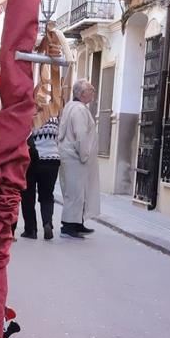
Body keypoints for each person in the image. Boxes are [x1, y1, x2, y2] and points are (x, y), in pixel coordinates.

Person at [59, 80, 101, 236]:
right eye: (91, 89)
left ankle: (77, 223)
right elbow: (81, 135)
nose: (93, 92)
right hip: (75, 158)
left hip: (70, 156)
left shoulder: (71, 106)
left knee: (77, 192)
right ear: (82, 94)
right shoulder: (79, 110)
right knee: (75, 192)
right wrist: (84, 155)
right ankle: (69, 227)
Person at [19, 111, 61, 240]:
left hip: (33, 159)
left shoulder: (30, 116)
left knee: (28, 195)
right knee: (47, 194)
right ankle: (47, 223)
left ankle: (30, 230)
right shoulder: (53, 118)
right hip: (53, 160)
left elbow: (24, 137)